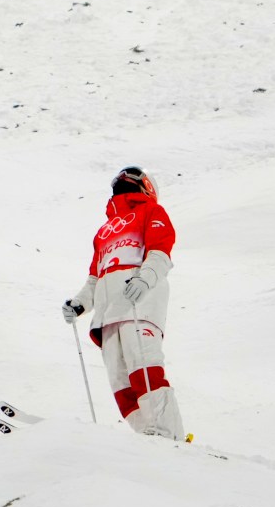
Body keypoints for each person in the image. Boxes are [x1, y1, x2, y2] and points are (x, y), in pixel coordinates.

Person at [62, 166, 185, 440]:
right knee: (121, 384)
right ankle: (146, 435)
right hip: (107, 315)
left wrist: (146, 279)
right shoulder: (104, 232)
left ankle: (170, 436)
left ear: (146, 186)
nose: (123, 180)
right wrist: (79, 303)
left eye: (132, 177)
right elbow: (96, 276)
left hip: (138, 304)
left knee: (144, 369)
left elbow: (160, 252)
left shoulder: (152, 212)